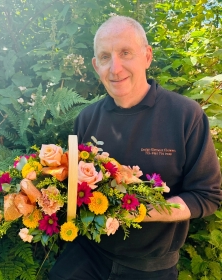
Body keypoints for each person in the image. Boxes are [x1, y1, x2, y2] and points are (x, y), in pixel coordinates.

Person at [49, 15, 222, 280]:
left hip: (150, 266)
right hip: (86, 254)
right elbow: (74, 187)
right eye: (105, 57)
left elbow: (207, 196)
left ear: (147, 56)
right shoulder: (87, 118)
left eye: (125, 53)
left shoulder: (186, 115)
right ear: (96, 65)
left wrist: (137, 212)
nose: (115, 68)